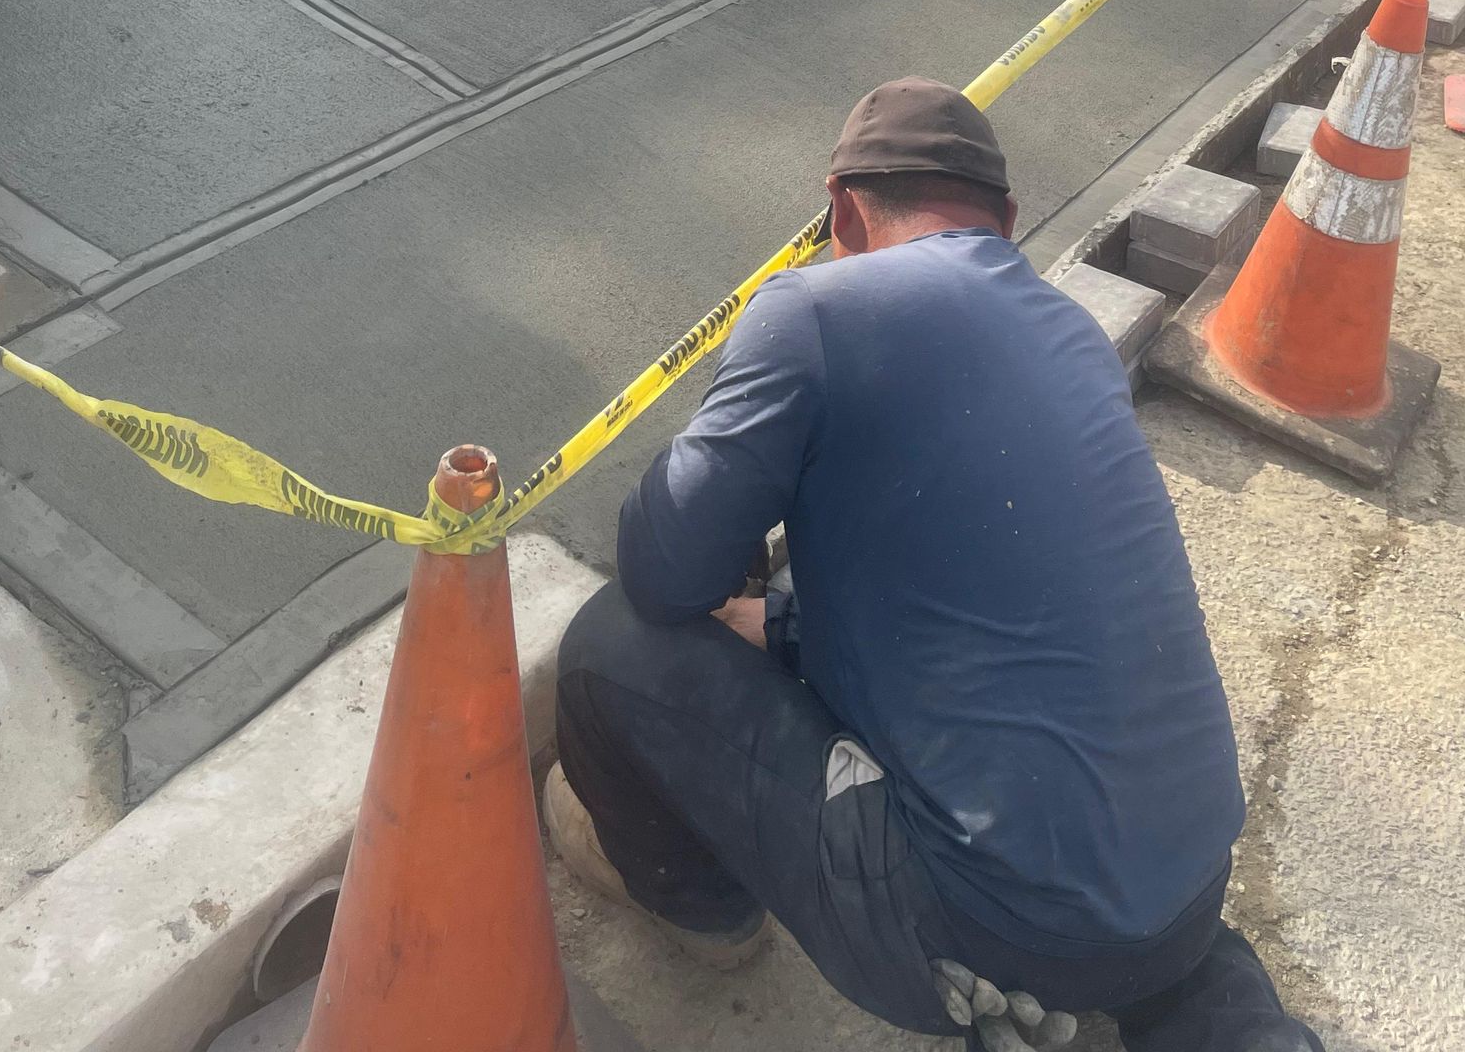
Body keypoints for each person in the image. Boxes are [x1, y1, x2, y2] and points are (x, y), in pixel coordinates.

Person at [548, 77, 1324, 1051]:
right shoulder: (1075, 336)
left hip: (978, 920)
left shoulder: (813, 310)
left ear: (840, 208)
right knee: (1133, 915)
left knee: (606, 645)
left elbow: (664, 568)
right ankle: (1215, 1018)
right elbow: (984, 610)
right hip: (1188, 880)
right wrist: (784, 626)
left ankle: (705, 911)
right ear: (1005, 219)